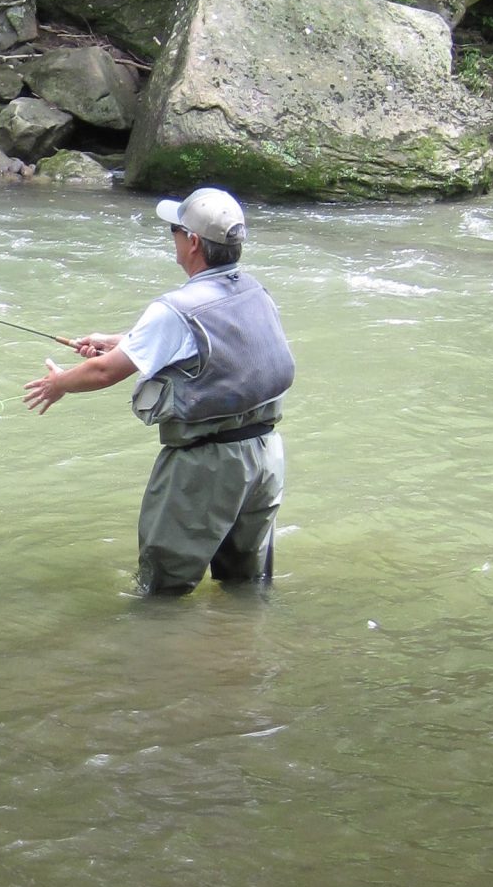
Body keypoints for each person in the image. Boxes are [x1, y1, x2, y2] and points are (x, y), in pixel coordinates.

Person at [22, 186, 295, 596]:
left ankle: (159, 654)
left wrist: (59, 383)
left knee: (162, 592)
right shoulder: (255, 291)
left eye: (175, 229)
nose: (173, 237)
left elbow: (101, 373)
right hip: (265, 457)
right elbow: (216, 345)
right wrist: (123, 341)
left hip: (205, 467)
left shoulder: (174, 310)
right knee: (247, 585)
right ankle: (242, 653)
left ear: (194, 243)